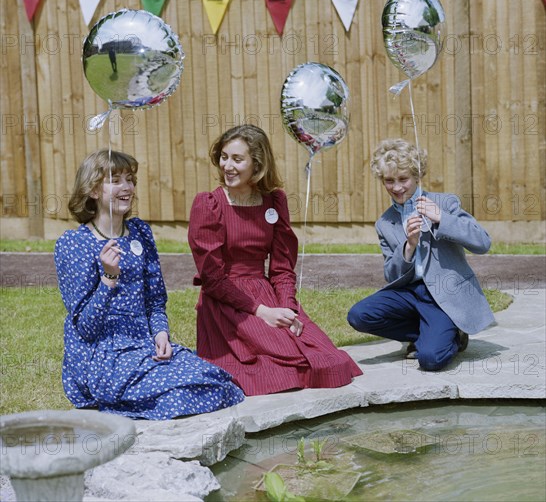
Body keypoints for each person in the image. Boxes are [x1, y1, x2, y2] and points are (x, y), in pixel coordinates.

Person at [54, 149, 244, 420]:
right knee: (178, 398)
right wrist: (108, 278)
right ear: (93, 190)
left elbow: (155, 300)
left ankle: (129, 401)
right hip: (102, 354)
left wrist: (161, 335)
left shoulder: (140, 232)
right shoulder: (74, 244)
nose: (127, 187)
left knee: (221, 385)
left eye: (130, 179)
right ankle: (116, 407)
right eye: (115, 180)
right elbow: (85, 328)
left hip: (144, 344)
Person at [188, 124, 362, 396]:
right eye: (224, 157)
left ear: (257, 164)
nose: (227, 166)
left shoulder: (274, 201)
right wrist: (262, 312)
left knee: (329, 362)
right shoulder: (208, 204)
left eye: (237, 159)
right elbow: (213, 280)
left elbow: (282, 269)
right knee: (275, 371)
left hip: (267, 294)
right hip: (227, 302)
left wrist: (287, 308)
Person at [347, 138, 495, 371]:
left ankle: (455, 334)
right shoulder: (384, 223)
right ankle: (426, 332)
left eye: (403, 179)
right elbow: (390, 274)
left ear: (417, 176)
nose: (397, 188)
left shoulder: (444, 203)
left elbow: (482, 242)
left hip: (444, 294)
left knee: (430, 359)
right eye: (389, 181)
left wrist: (442, 219)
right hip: (408, 294)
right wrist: (409, 246)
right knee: (359, 315)